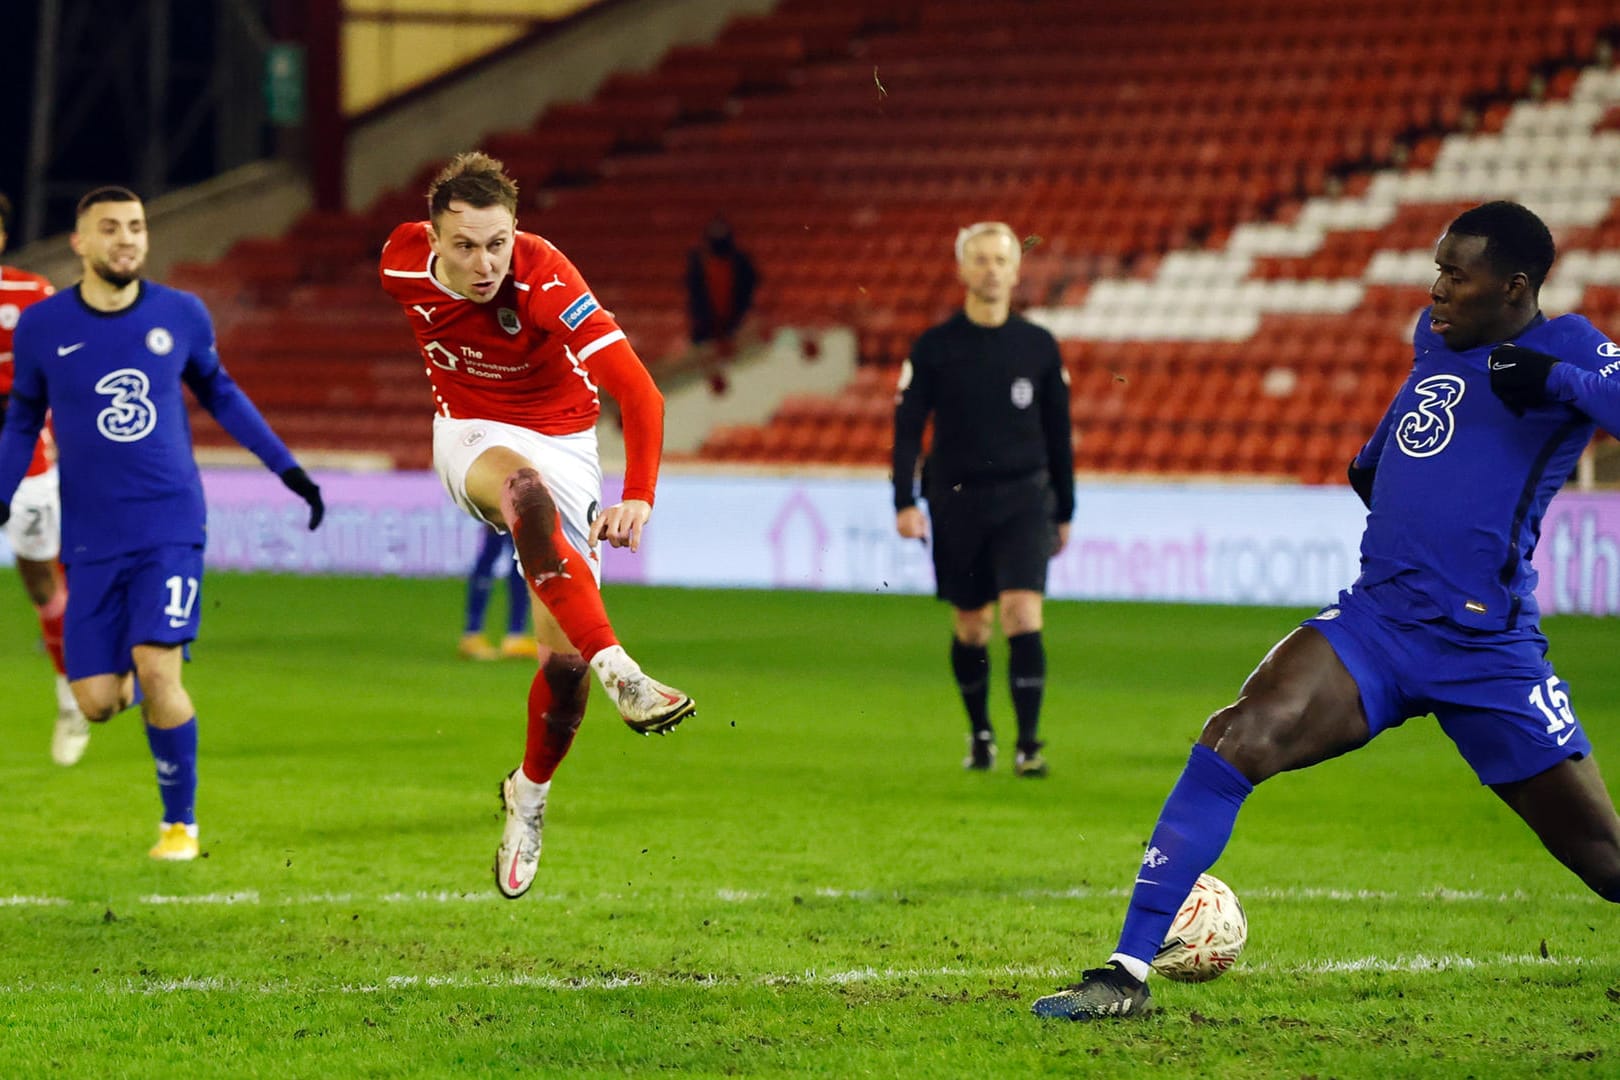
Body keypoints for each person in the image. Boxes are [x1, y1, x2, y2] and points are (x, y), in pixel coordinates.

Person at [1031, 201, 1620, 1022]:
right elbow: (1421, 405)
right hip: (1378, 624)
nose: (1437, 287)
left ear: (1515, 286)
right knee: (1237, 733)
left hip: (1488, 650)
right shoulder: (1434, 336)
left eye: (1457, 274)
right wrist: (1375, 456)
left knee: (1607, 863)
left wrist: (1559, 381)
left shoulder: (1573, 349)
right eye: (1437, 268)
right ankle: (1124, 973)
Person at [378, 151, 696, 901]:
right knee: (519, 490)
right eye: (463, 245)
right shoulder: (396, 263)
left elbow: (641, 396)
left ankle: (529, 793)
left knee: (562, 666)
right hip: (469, 434)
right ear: (431, 238)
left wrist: (639, 494)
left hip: (566, 445)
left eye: (497, 242)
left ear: (515, 230)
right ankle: (628, 673)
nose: (484, 263)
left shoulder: (547, 275)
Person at [0, 186, 325, 862]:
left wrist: (288, 471)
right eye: (110, 228)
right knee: (95, 700)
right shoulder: (43, 326)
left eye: (137, 228)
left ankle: (180, 826)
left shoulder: (180, 314)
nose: (126, 239)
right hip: (89, 537)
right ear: (80, 243)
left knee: (156, 669)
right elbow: (22, 420)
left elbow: (224, 396)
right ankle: (151, 652)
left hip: (169, 523)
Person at [892, 221, 1075, 778]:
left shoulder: (1038, 346)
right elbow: (907, 428)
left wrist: (1065, 508)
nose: (992, 270)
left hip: (1024, 497)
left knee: (1023, 612)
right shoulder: (935, 347)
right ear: (962, 270)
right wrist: (903, 499)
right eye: (981, 260)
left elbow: (1058, 433)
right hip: (956, 498)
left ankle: (1028, 744)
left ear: (1016, 271)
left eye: (1001, 260)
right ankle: (981, 733)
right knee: (972, 625)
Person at [0, 190, 91, 765]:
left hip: (25, 454)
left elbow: (69, 372)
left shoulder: (32, 295)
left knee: (39, 577)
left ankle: (70, 694)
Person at [459, 526, 537, 660]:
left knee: (519, 555)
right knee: (494, 548)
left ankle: (515, 636)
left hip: (516, 507)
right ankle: (472, 633)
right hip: (500, 506)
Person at [684, 215, 757, 359]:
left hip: (735, 323)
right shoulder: (698, 264)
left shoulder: (740, 263)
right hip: (706, 327)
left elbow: (749, 290)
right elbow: (694, 294)